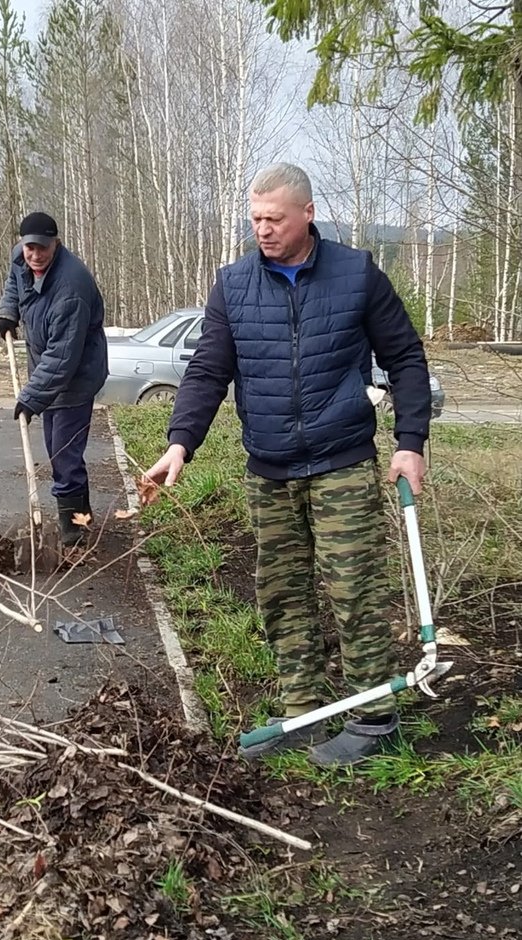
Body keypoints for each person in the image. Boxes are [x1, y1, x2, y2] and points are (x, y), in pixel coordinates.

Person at [142, 163, 432, 767]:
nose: (263, 230)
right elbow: (207, 371)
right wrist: (179, 444)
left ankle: (375, 720)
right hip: (268, 467)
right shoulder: (234, 283)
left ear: (307, 213)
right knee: (282, 591)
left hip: (342, 462)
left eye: (274, 219)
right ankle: (302, 708)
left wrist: (410, 441)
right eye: (255, 219)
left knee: (354, 590)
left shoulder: (356, 274)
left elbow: (404, 356)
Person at [0, 212, 107, 548]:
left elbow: (63, 356)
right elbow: (15, 281)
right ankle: (81, 513)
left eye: (42, 248)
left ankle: (73, 530)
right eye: (29, 247)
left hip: (75, 377)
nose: (35, 255)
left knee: (63, 454)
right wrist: (7, 312)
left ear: (56, 243)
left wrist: (31, 397)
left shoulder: (71, 287)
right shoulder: (22, 257)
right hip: (46, 369)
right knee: (59, 450)